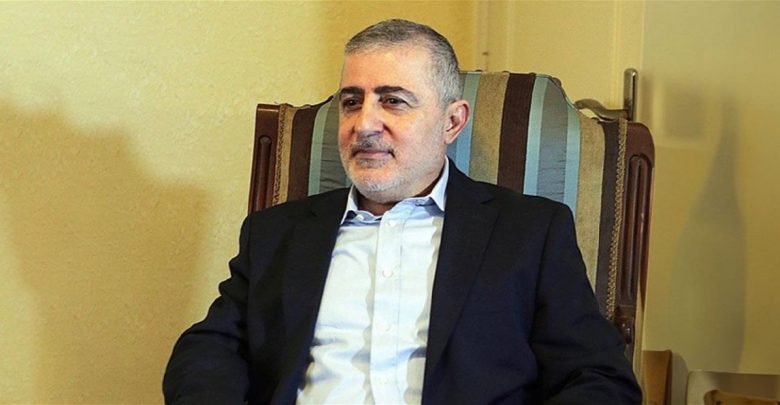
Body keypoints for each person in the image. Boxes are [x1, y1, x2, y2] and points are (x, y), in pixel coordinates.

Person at [163, 19, 641, 404]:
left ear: (452, 121)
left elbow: (598, 378)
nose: (364, 124)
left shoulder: (528, 232)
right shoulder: (277, 232)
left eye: (392, 101)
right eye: (352, 102)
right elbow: (210, 348)